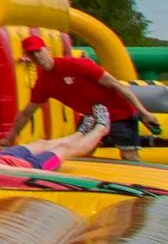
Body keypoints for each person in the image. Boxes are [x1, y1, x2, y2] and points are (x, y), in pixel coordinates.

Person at [10, 35, 159, 156]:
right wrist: (9, 138)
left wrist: (143, 112)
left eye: (39, 51)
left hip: (119, 114)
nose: (37, 56)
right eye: (32, 54)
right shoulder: (43, 83)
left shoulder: (79, 65)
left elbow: (118, 86)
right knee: (81, 152)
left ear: (47, 50)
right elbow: (26, 113)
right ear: (28, 57)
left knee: (128, 155)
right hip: (93, 116)